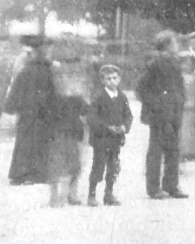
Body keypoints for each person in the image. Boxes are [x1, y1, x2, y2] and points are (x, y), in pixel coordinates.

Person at [136, 30, 188, 199]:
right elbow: (141, 88)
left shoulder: (174, 63)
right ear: (167, 46)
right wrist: (157, 106)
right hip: (159, 116)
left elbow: (178, 86)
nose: (177, 46)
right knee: (156, 152)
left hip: (174, 113)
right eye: (175, 43)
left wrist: (180, 101)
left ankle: (171, 185)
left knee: (173, 150)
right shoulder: (155, 64)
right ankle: (153, 188)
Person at [2, 34, 55, 186]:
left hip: (28, 112)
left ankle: (20, 174)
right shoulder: (48, 70)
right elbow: (54, 93)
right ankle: (36, 174)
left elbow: (15, 91)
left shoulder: (26, 70)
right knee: (38, 142)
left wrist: (10, 107)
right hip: (41, 113)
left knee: (25, 142)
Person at [87, 64, 133, 207]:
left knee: (113, 166)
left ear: (119, 79)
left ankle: (109, 193)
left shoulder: (122, 97)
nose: (111, 81)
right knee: (98, 165)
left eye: (114, 78)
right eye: (108, 79)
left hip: (116, 139)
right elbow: (92, 117)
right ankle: (91, 194)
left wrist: (125, 126)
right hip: (101, 138)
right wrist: (107, 127)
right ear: (102, 80)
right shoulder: (99, 97)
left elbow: (128, 115)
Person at [47, 60, 89, 207]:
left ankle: (72, 193)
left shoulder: (76, 96)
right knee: (56, 166)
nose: (62, 79)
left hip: (73, 133)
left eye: (65, 76)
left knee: (75, 165)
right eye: (58, 76)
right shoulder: (50, 97)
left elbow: (87, 111)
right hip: (56, 134)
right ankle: (54, 196)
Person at [179, 50, 195, 162]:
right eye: (185, 62)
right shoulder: (179, 77)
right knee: (185, 130)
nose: (188, 65)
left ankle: (193, 152)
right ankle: (182, 153)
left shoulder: (193, 77)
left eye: (190, 62)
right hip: (185, 107)